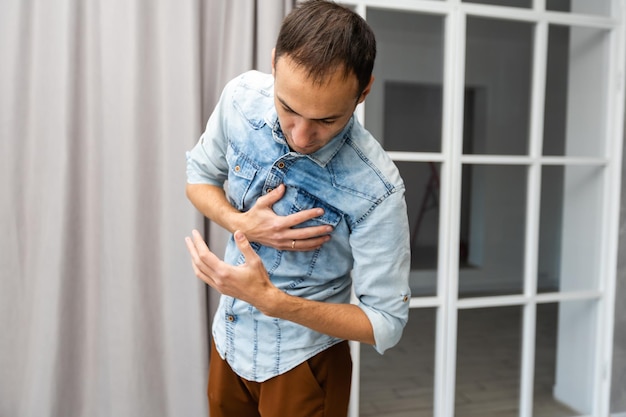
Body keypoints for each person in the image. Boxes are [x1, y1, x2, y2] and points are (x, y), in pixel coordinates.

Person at [184, 1, 411, 416]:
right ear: (274, 64)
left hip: (303, 363)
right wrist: (241, 222)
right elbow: (198, 178)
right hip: (229, 343)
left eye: (327, 119)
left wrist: (275, 302)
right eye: (288, 108)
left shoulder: (377, 187)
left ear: (364, 92)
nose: (303, 135)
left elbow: (386, 323)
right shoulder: (239, 98)